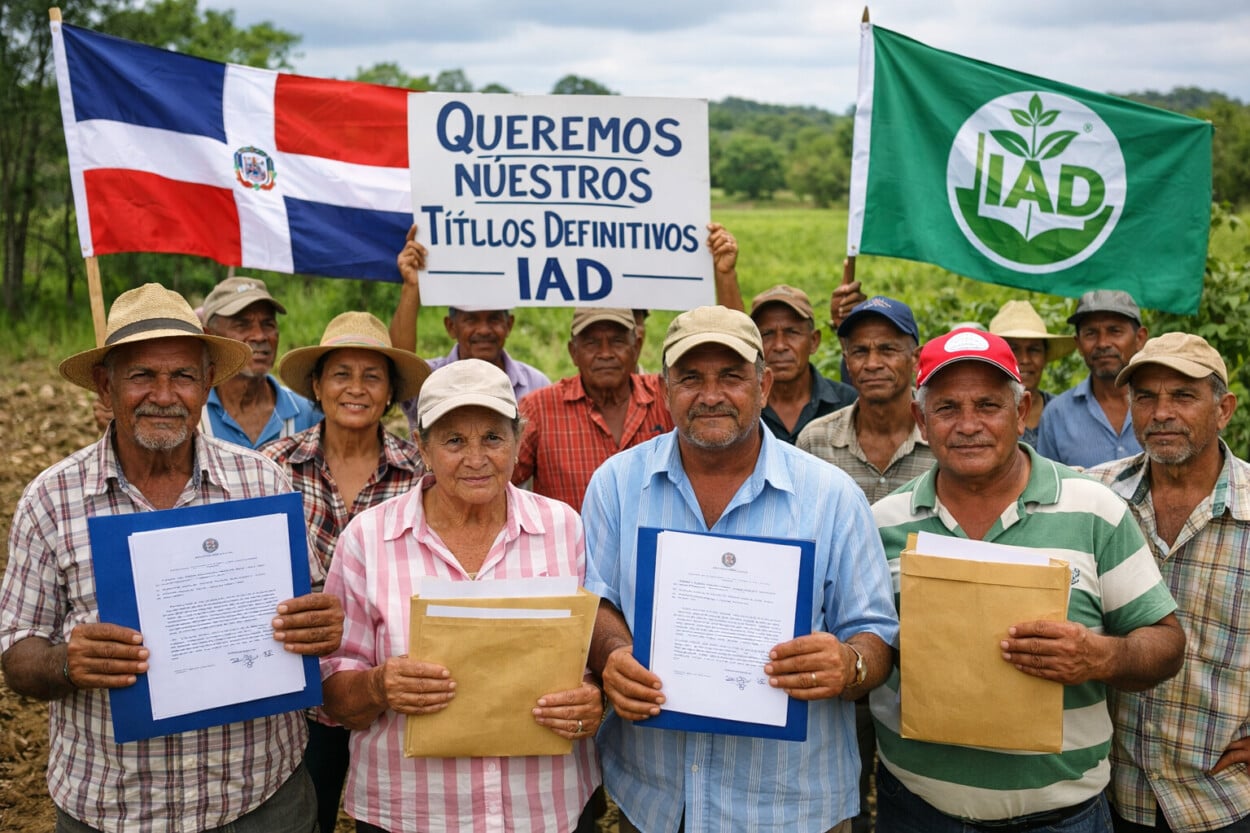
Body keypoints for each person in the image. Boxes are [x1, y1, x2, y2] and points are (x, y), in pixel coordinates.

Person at [0, 283, 344, 833]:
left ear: (207, 382)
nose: (164, 394)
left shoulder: (260, 481)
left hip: (259, 799)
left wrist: (320, 621)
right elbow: (17, 652)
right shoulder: (51, 499)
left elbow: (310, 605)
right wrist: (65, 662)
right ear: (105, 386)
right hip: (113, 808)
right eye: (141, 376)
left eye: (183, 376)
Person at [582, 305, 899, 832]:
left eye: (731, 377)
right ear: (664, 389)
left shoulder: (832, 497)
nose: (710, 395)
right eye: (690, 378)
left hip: (793, 807)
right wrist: (613, 652)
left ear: (763, 385)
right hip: (659, 802)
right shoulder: (616, 484)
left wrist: (849, 665)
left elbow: (877, 636)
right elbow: (596, 599)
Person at [870, 327, 1185, 833]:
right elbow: (863, 643)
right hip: (917, 812)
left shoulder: (1095, 510)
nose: (968, 425)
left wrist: (1099, 656)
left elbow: (1166, 643)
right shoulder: (882, 523)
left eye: (989, 406)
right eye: (947, 408)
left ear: (1023, 413)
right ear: (920, 421)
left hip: (1062, 821)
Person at [320, 358, 602, 833]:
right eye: (454, 441)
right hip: (410, 813)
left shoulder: (562, 527)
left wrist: (590, 702)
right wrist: (379, 686)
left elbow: (587, 665)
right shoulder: (368, 538)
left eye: (493, 437)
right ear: (423, 448)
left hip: (541, 809)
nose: (476, 458)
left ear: (517, 441)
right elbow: (332, 693)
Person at [259, 311, 430, 833]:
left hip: (392, 694)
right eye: (341, 374)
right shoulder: (273, 467)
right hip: (297, 698)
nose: (356, 389)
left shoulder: (421, 474)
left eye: (372, 376)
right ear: (316, 385)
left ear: (389, 392)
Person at [1085, 332, 1250, 833]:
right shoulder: (1093, 497)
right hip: (1113, 794)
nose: (1161, 413)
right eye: (1146, 397)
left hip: (1223, 798)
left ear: (1223, 409)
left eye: (1183, 396)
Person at [513, 307, 673, 510]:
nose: (605, 354)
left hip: (651, 541)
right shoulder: (539, 409)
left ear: (636, 347)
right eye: (591, 343)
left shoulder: (665, 397)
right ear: (573, 352)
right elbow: (499, 479)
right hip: (572, 542)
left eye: (617, 342)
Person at [798, 296, 933, 504]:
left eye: (887, 350)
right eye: (860, 352)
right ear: (847, 361)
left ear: (915, 359)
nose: (872, 364)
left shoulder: (940, 438)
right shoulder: (815, 441)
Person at [199, 275, 322, 448]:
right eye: (242, 325)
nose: (260, 336)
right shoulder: (194, 415)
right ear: (212, 337)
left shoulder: (307, 414)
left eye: (268, 324)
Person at [1037, 290, 1148, 467]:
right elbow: (1050, 488)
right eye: (1091, 333)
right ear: (1079, 344)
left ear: (1140, 338)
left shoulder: (1162, 407)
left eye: (1115, 331)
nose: (1103, 343)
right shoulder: (1057, 415)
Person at [750, 284, 857, 443]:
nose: (780, 346)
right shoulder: (745, 407)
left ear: (814, 341)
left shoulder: (848, 402)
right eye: (767, 334)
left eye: (792, 332)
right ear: (754, 344)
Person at [988, 300, 1076, 448]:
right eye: (1013, 349)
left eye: (1034, 350)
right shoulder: (982, 416)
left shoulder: (1066, 412)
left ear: (1045, 356)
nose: (1025, 360)